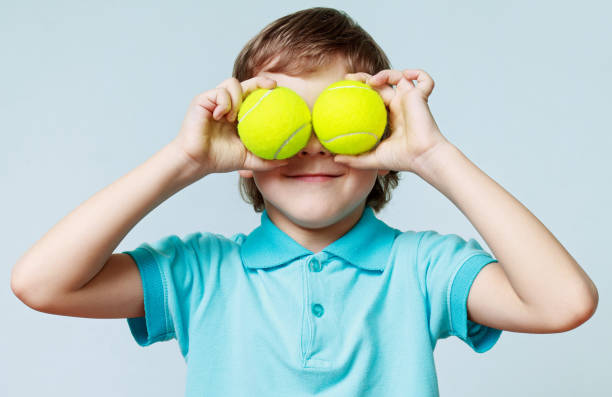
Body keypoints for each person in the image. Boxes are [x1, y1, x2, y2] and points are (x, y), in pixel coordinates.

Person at [11, 7, 598, 397]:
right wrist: (185, 160)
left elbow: (563, 304)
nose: (314, 145)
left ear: (383, 134)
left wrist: (432, 155)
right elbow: (41, 284)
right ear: (242, 137)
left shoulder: (422, 270)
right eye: (289, 121)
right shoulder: (204, 273)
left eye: (338, 117)